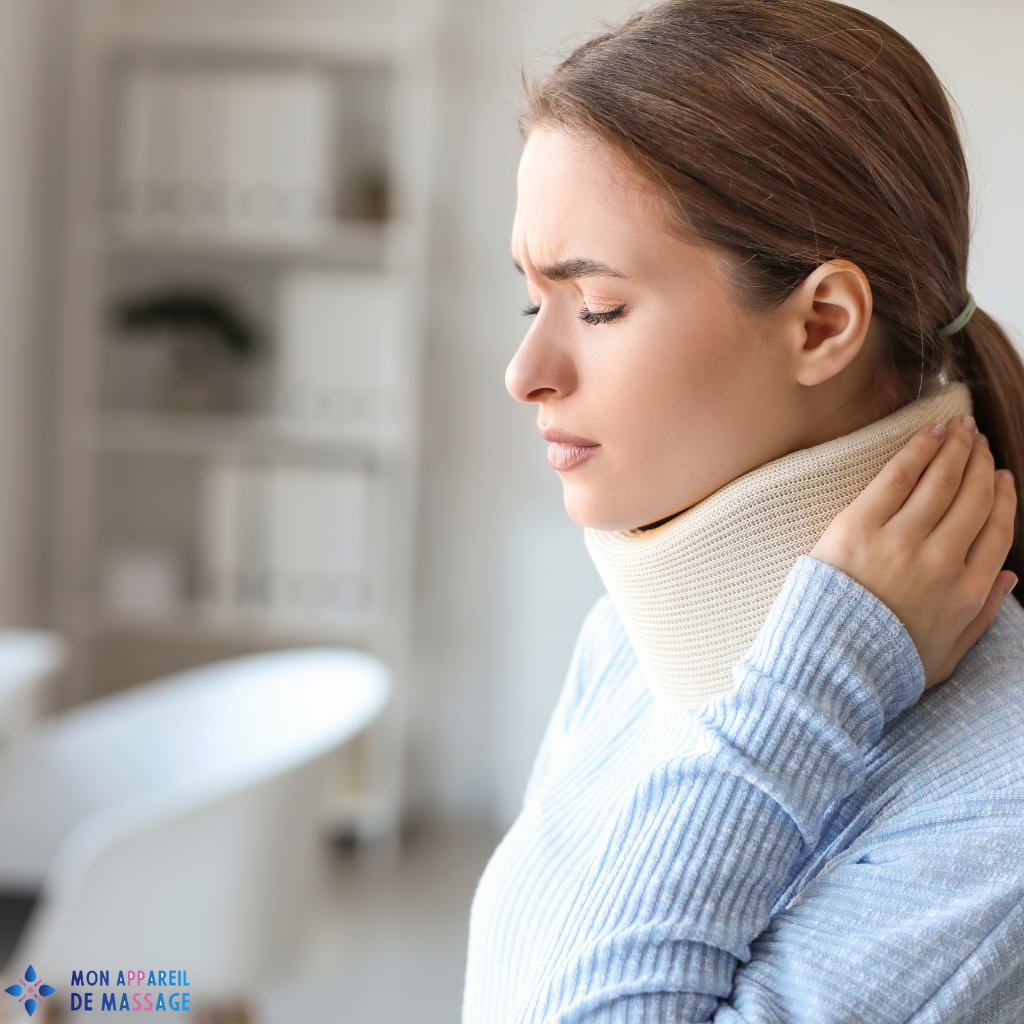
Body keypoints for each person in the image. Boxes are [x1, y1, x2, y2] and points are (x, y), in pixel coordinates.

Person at [462, 2, 1024, 1022]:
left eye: (596, 306)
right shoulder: (626, 645)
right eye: (530, 301)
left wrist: (814, 688)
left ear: (822, 324)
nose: (524, 370)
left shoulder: (999, 807)